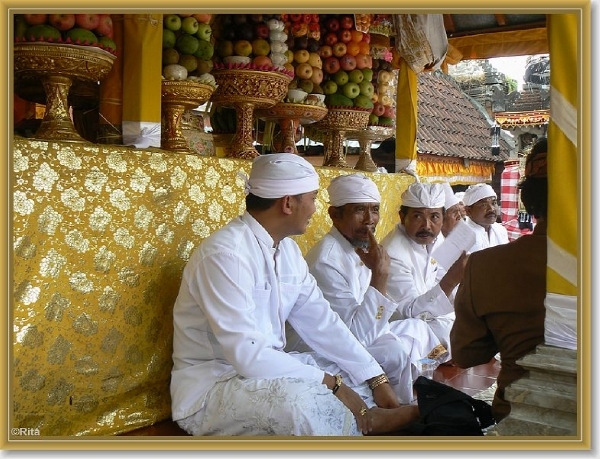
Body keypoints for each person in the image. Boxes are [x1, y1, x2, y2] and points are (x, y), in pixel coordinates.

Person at [170, 153, 419, 436]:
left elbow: (323, 322)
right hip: (214, 385)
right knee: (300, 403)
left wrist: (374, 376)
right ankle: (368, 423)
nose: (315, 209)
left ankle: (365, 422)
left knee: (353, 371)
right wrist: (332, 384)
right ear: (288, 203)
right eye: (312, 198)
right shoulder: (225, 255)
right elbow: (247, 355)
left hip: (262, 368)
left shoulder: (286, 250)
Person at [286, 174, 444, 404]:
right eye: (360, 210)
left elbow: (372, 322)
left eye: (375, 210)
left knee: (411, 332)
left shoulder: (358, 248)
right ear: (334, 214)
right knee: (394, 351)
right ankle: (397, 412)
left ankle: (404, 405)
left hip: (357, 335)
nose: (370, 220)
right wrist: (380, 276)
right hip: (317, 349)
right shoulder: (326, 261)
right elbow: (355, 337)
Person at [450, 137, 548, 422]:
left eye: (493, 202)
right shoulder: (468, 241)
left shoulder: (487, 264)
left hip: (518, 413)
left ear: (527, 200)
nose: (491, 209)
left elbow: (467, 354)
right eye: (484, 204)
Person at [380, 182, 469, 355]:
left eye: (434, 217)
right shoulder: (393, 253)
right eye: (417, 216)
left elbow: (445, 279)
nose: (426, 225)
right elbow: (409, 312)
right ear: (402, 216)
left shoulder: (435, 240)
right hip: (404, 328)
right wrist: (453, 279)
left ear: (442, 218)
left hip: (431, 317)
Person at [462, 183, 509, 252]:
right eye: (483, 205)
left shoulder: (500, 230)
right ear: (468, 211)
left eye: (494, 203)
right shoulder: (462, 235)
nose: (491, 209)